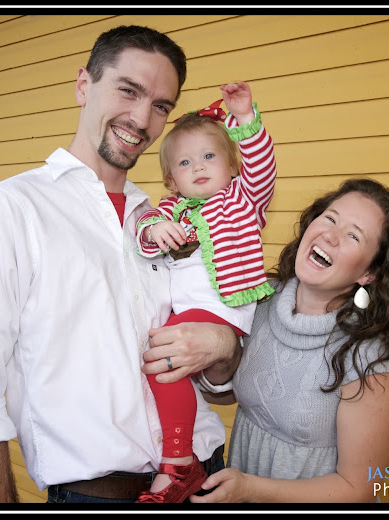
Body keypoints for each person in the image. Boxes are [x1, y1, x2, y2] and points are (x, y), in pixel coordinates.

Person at [0, 25, 241, 504]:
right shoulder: (6, 210)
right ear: (83, 85)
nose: (141, 119)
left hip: (207, 476)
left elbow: (218, 387)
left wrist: (223, 344)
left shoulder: (168, 220)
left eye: (161, 105)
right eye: (128, 91)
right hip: (99, 496)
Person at [188, 178, 389, 503]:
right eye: (330, 218)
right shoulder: (261, 300)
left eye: (353, 235)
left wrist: (250, 489)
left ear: (369, 273)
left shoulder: (368, 357)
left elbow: (359, 488)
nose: (330, 235)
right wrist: (219, 355)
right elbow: (232, 394)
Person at [133, 82, 277, 503]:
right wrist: (154, 230)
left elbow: (261, 169)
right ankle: (180, 457)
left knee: (161, 359)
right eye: (184, 162)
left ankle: (178, 461)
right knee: (166, 368)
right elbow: (144, 233)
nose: (198, 167)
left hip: (222, 306)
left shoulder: (242, 199)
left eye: (209, 157)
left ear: (232, 165)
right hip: (190, 312)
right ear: (171, 179)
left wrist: (245, 119)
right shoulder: (171, 209)